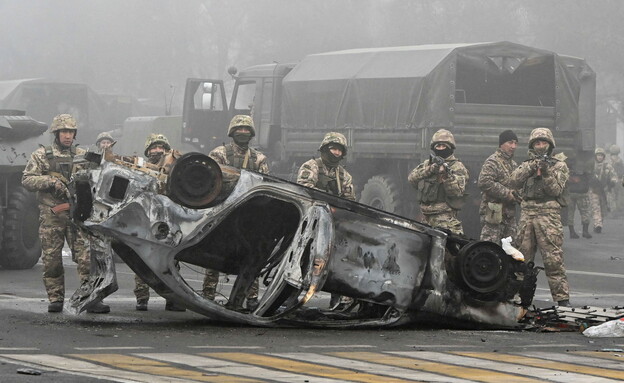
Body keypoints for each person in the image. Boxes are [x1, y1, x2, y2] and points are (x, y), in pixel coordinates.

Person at [22, 114, 109, 313]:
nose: (68, 136)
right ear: (56, 133)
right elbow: (27, 180)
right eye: (64, 132)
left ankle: (91, 298)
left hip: (77, 215)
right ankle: (55, 298)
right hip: (52, 215)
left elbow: (100, 176)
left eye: (71, 132)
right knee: (52, 260)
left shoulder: (82, 155)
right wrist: (51, 182)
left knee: (87, 260)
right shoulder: (42, 155)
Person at [202, 115, 269, 309]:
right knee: (214, 254)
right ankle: (208, 295)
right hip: (222, 211)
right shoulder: (219, 154)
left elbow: (266, 185)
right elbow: (211, 180)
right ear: (232, 132)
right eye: (239, 130)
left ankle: (251, 298)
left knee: (252, 256)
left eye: (246, 130)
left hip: (249, 215)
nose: (243, 133)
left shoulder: (259, 159)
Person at [509, 127, 570, 307]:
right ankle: (519, 298)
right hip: (527, 213)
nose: (540, 146)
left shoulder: (559, 166)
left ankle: (562, 299)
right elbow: (513, 181)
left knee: (553, 259)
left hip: (548, 214)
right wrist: (531, 167)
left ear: (550, 145)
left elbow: (556, 190)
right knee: (521, 258)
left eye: (543, 142)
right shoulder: (526, 164)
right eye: (537, 142)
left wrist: (546, 172)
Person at [297, 132, 355, 310]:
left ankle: (336, 300)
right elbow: (304, 190)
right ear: (324, 148)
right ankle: (292, 296)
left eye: (339, 150)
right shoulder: (311, 166)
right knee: (303, 261)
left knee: (335, 262)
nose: (336, 153)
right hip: (310, 222)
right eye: (333, 149)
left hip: (331, 224)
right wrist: (327, 198)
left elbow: (350, 200)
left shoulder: (344, 175)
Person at [141, 133, 186, 311]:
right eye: (153, 147)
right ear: (147, 151)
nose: (157, 150)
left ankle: (174, 299)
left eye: (161, 147)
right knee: (142, 258)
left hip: (169, 219)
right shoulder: (140, 167)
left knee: (171, 260)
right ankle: (142, 298)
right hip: (147, 218)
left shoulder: (174, 165)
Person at [408, 129, 469, 235]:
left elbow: (457, 192)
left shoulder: (457, 167)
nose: (440, 149)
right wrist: (430, 170)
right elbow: (412, 179)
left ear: (450, 147)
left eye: (443, 146)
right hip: (425, 219)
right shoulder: (428, 164)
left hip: (445, 220)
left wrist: (446, 176)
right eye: (438, 146)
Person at [477, 129, 521, 245]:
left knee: (511, 250)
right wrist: (507, 194)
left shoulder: (514, 165)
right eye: (510, 142)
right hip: (494, 214)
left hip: (509, 215)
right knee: (490, 248)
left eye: (515, 143)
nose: (513, 146)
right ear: (501, 144)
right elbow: (484, 182)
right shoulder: (492, 162)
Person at [589, 147, 617, 233]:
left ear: (603, 157)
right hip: (594, 190)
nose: (599, 157)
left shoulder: (607, 166)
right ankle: (598, 225)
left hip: (604, 191)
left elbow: (614, 176)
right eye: (598, 155)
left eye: (601, 155)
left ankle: (598, 223)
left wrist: (612, 182)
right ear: (595, 156)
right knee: (595, 208)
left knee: (603, 209)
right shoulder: (591, 166)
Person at [565, 154, 593, 239]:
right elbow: (590, 177)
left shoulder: (566, 164)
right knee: (585, 211)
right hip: (582, 192)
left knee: (570, 212)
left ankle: (572, 232)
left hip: (570, 192)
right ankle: (585, 231)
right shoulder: (586, 162)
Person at [607, 144, 624, 216]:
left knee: (613, 196)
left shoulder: (611, 161)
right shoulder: (620, 161)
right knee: (617, 195)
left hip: (614, 181)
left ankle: (614, 210)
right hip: (616, 181)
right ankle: (617, 209)